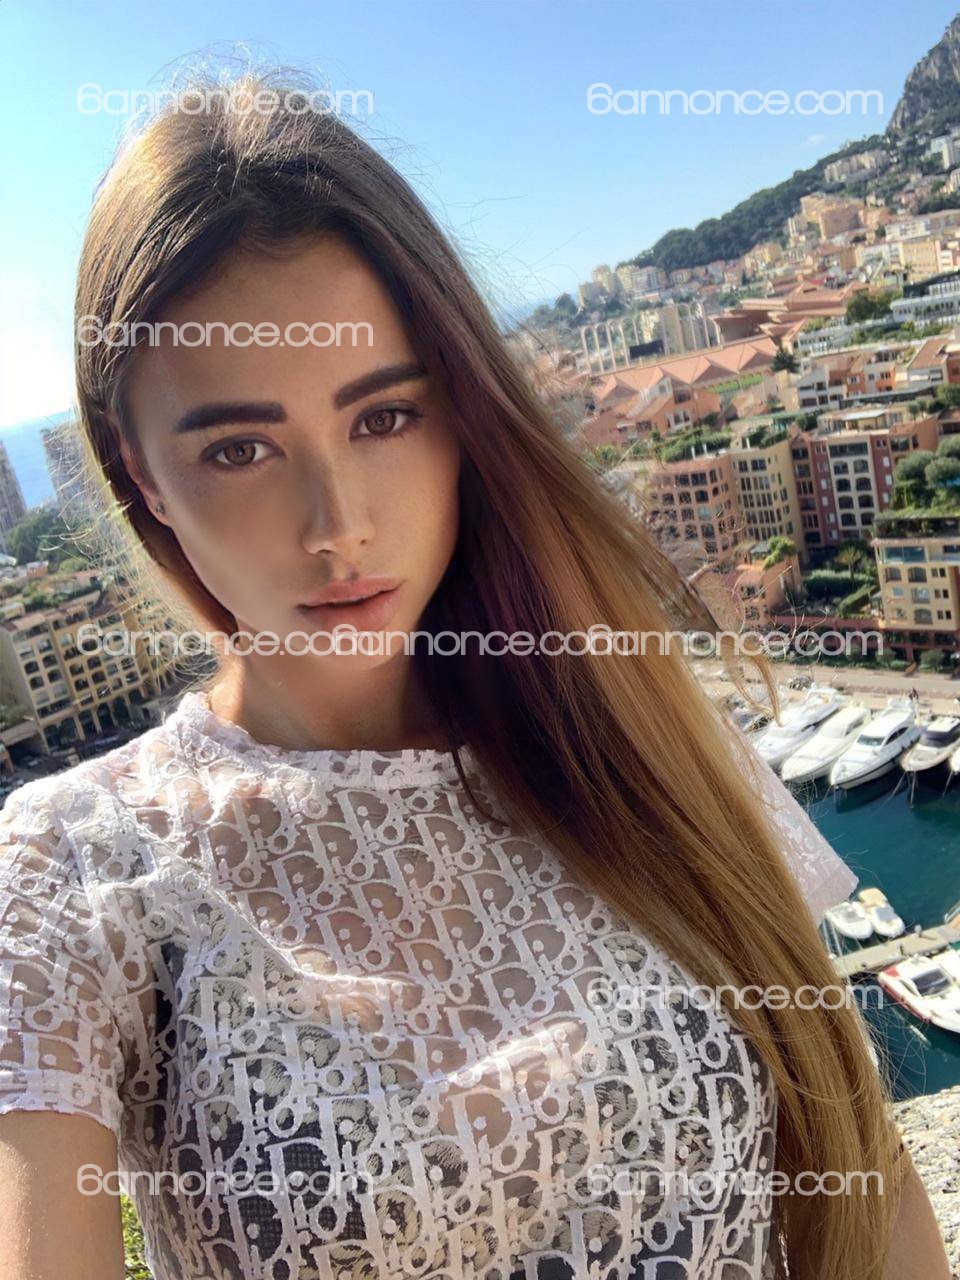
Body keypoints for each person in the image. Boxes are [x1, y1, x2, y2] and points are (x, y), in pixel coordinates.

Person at [0, 70, 949, 1280]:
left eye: (383, 418)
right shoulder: (78, 865)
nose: (338, 524)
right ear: (142, 477)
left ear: (462, 418)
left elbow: (868, 1186)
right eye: (239, 448)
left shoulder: (645, 736)